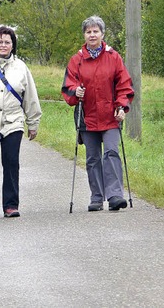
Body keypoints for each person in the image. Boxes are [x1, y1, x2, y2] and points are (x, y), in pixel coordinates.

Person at [61, 15, 135, 212]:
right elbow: (68, 86)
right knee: (93, 158)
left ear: (102, 34)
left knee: (111, 152)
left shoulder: (114, 57)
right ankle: (96, 197)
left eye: (95, 31)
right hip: (87, 117)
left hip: (111, 116)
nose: (92, 35)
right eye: (88, 31)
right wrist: (76, 90)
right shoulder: (76, 60)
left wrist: (121, 106)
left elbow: (124, 85)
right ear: (84, 35)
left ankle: (115, 195)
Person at [0, 26, 42, 218]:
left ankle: (11, 204)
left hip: (12, 121)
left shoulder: (21, 67)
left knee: (11, 161)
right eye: (0, 42)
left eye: (7, 42)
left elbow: (30, 96)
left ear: (13, 45)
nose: (3, 45)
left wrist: (33, 122)